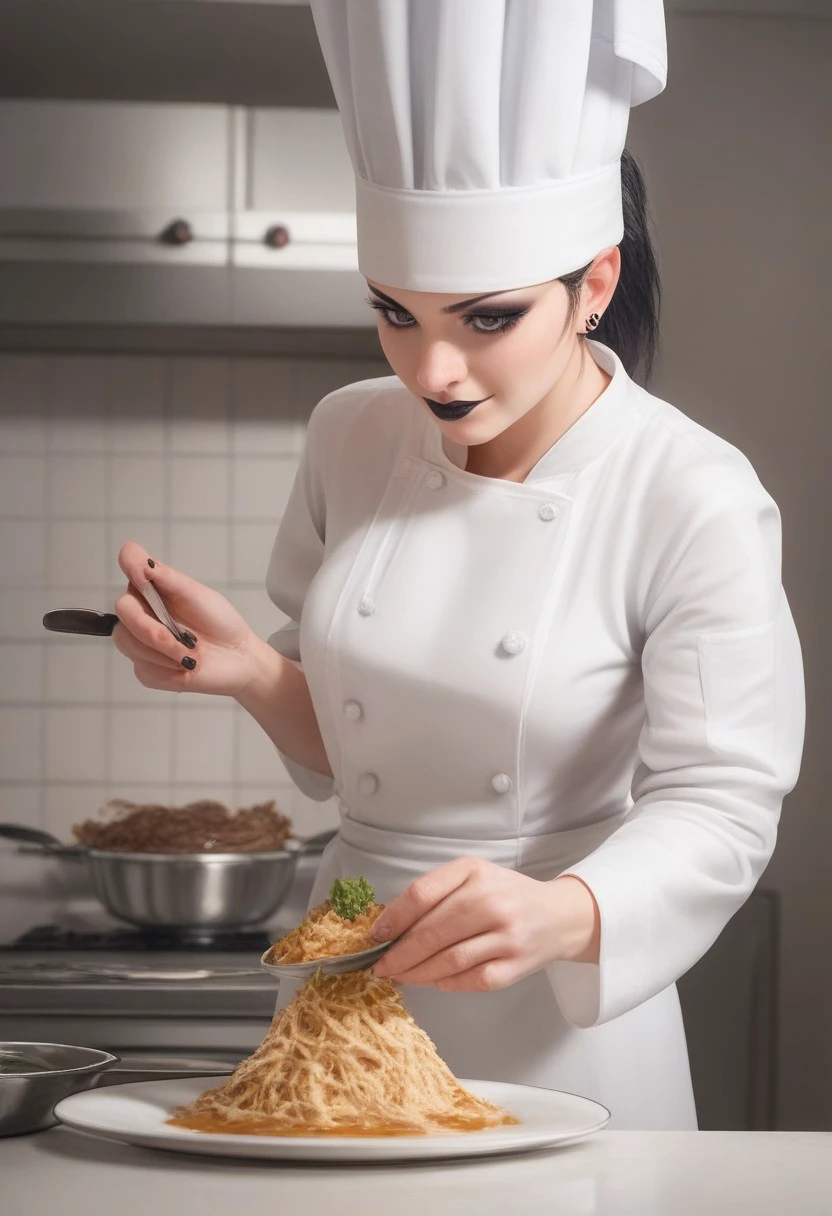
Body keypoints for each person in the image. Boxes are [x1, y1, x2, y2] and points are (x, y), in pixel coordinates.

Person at [113, 0, 805, 1129]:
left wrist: (567, 910)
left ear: (594, 284)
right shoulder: (351, 430)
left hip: (558, 1018)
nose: (432, 370)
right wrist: (248, 673)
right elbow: (366, 749)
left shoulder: (690, 491)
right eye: (394, 313)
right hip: (346, 988)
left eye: (486, 318)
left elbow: (722, 800)